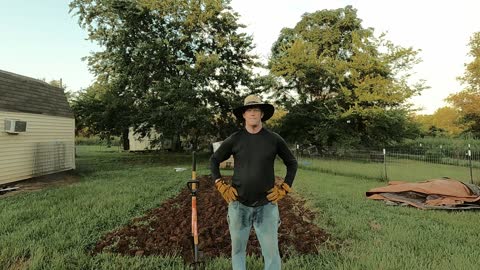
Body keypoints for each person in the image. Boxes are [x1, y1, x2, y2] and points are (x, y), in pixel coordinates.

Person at [210, 95, 298, 270]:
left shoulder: (274, 139)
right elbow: (214, 160)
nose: (252, 113)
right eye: (249, 110)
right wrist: (220, 184)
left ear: (262, 114)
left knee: (271, 254)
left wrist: (285, 187)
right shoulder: (235, 139)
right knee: (237, 251)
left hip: (266, 206)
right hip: (238, 205)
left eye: (256, 110)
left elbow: (292, 163)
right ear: (243, 114)